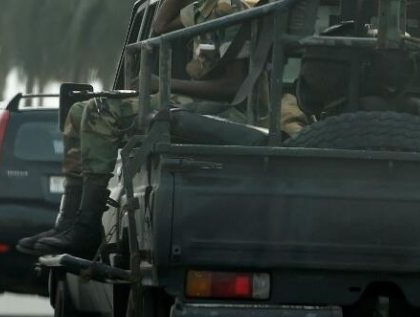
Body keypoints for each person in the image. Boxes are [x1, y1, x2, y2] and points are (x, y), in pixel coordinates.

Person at [18, 0, 254, 257]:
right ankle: (67, 223)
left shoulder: (232, 8)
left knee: (101, 110)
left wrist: (162, 84)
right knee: (77, 112)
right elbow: (160, 24)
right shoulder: (203, 8)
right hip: (200, 101)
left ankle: (86, 229)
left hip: (230, 109)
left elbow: (233, 87)